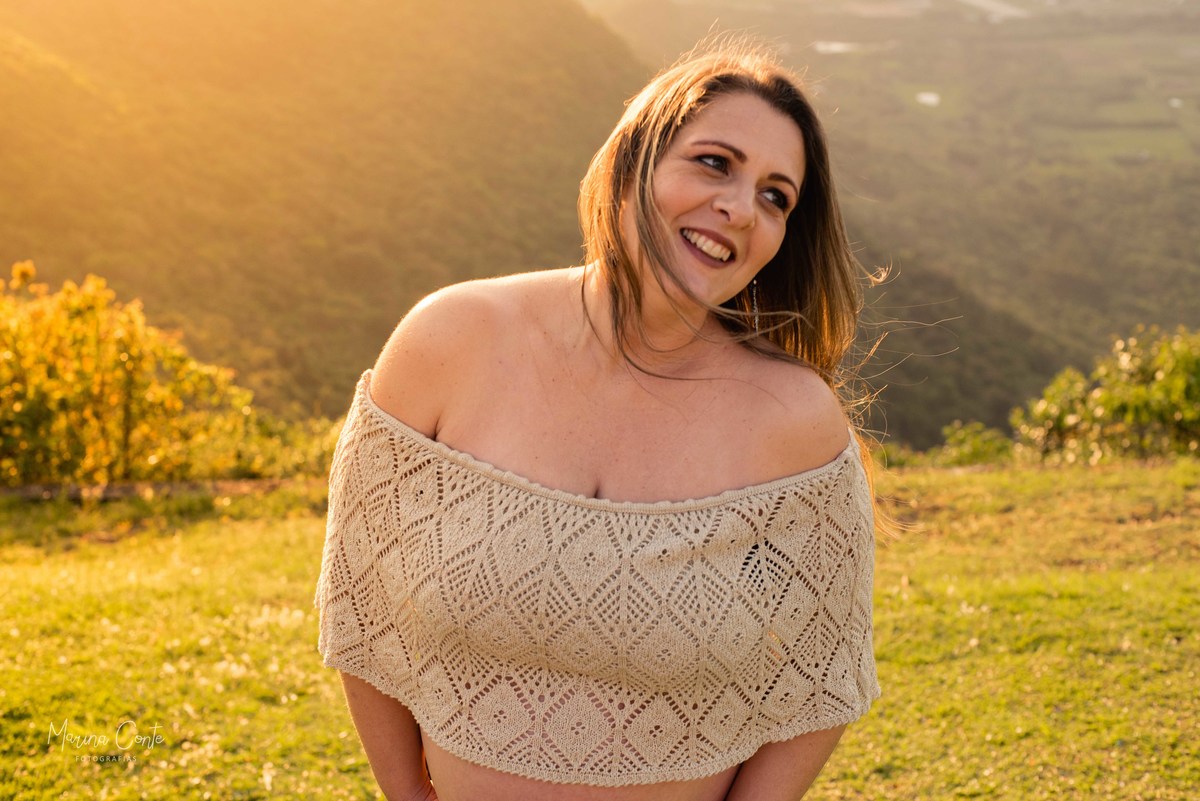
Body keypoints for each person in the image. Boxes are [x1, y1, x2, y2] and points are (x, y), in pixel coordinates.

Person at [315, 37, 880, 801]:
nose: (741, 208)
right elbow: (362, 605)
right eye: (714, 163)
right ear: (630, 164)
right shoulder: (447, 341)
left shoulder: (796, 421)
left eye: (776, 196)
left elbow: (823, 672)